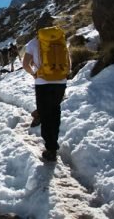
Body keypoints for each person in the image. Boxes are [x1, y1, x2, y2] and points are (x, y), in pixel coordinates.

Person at [22, 25, 70, 162]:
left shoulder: (33, 43)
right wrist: (64, 75)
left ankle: (50, 149)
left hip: (43, 82)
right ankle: (53, 145)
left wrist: (34, 74)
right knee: (55, 112)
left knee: (45, 114)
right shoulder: (60, 40)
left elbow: (26, 64)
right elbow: (68, 61)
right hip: (60, 82)